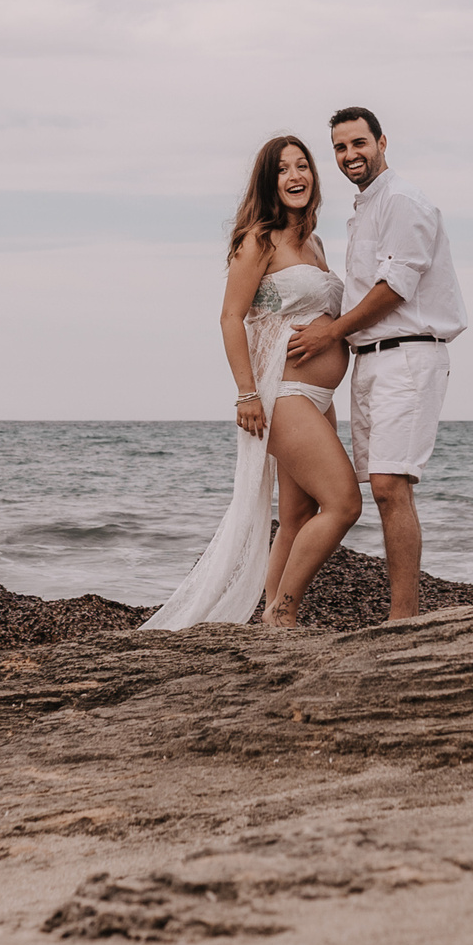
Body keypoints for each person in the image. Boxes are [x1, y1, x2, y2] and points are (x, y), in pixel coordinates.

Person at [144, 135, 361, 630]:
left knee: (301, 514)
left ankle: (273, 613)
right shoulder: (258, 241)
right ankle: (282, 613)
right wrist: (245, 393)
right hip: (281, 395)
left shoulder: (315, 242)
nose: (295, 176)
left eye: (302, 166)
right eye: (283, 169)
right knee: (345, 503)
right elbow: (230, 317)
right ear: (269, 181)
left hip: (319, 398)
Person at [284, 106, 466, 620]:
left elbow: (395, 288)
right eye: (340, 148)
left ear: (382, 142)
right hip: (373, 362)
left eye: (358, 144)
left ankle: (401, 619)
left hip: (407, 355)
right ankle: (395, 615)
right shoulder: (365, 210)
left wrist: (330, 333)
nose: (349, 156)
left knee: (390, 485)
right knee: (384, 486)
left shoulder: (403, 202)